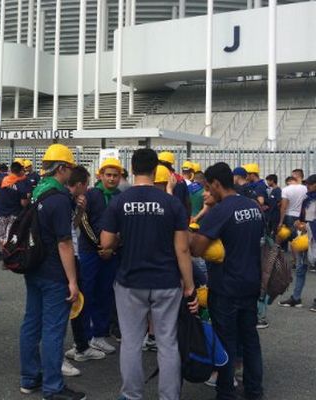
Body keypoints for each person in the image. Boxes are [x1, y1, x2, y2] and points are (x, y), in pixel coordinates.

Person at [100, 148, 196, 400]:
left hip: (130, 280)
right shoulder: (172, 203)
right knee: (167, 342)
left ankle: (131, 395)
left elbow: (106, 241)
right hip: (166, 280)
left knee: (131, 342)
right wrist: (189, 285)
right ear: (156, 170)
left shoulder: (120, 201)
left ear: (131, 170)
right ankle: (169, 396)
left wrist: (124, 235)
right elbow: (182, 248)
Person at [191, 162, 264, 400]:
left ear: (216, 184)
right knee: (250, 338)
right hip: (251, 282)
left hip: (226, 286)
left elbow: (197, 248)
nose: (208, 191)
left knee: (226, 341)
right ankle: (254, 391)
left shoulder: (220, 211)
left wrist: (191, 231)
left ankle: (226, 392)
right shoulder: (252, 206)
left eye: (208, 187)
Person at [19, 144, 85, 400]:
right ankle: (53, 388)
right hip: (54, 271)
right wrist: (72, 281)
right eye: (69, 167)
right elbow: (65, 243)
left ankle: (29, 377)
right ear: (61, 168)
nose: (72, 173)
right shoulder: (58, 198)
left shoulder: (38, 192)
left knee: (31, 324)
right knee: (54, 329)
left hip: (33, 266)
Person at [76, 158, 122, 357]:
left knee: (105, 293)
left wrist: (112, 247)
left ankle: (100, 335)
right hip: (90, 252)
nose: (111, 179)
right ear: (100, 176)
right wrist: (100, 245)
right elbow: (83, 221)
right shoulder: (92, 194)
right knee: (87, 293)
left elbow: (123, 226)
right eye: (108, 175)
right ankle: (84, 338)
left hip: (111, 253)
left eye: (115, 175)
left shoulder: (121, 197)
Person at [63, 165, 100, 378]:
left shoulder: (73, 201)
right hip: (65, 258)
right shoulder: (60, 198)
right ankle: (57, 358)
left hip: (72, 254)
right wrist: (71, 277)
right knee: (63, 305)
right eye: (86, 184)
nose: (87, 189)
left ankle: (81, 346)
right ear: (79, 184)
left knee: (78, 302)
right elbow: (64, 238)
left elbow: (73, 226)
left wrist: (80, 211)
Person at [278, 175, 316, 309]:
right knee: (300, 268)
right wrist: (299, 222)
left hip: (313, 237)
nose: (308, 186)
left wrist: (306, 226)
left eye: (310, 184)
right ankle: (296, 298)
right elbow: (304, 216)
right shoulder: (307, 199)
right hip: (305, 238)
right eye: (307, 184)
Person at [0, 161, 31, 253]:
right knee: (10, 235)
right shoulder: (21, 183)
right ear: (20, 171)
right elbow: (23, 203)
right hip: (14, 213)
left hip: (1, 212)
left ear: (11, 169)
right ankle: (8, 256)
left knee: (2, 235)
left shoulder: (1, 180)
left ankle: (2, 253)